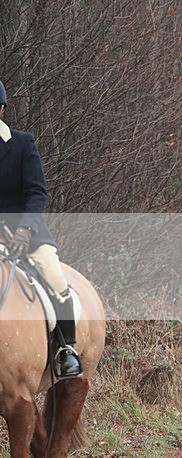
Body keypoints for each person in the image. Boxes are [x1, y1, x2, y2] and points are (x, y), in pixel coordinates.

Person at [0, 81, 83, 379]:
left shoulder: (22, 143)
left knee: (54, 277)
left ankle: (66, 350)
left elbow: (37, 192)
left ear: (1, 109)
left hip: (27, 236)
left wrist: (24, 230)